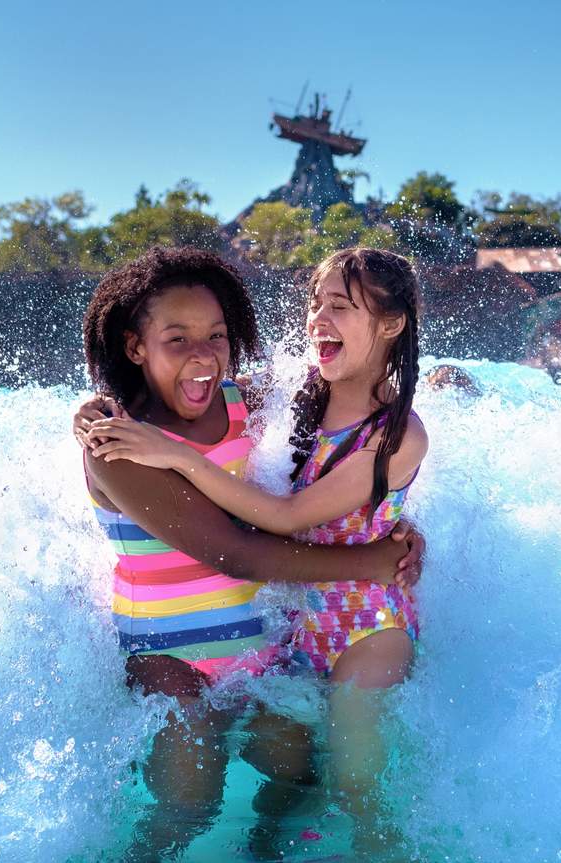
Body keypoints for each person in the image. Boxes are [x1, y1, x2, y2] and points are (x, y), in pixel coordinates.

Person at [75, 247, 423, 862]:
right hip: (169, 655)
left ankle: (265, 849)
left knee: (300, 775)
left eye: (216, 336)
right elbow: (235, 554)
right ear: (135, 347)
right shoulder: (118, 445)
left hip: (261, 656)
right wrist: (367, 563)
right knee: (191, 802)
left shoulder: (240, 403)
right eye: (176, 338)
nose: (202, 355)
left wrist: (391, 513)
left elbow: (330, 450)